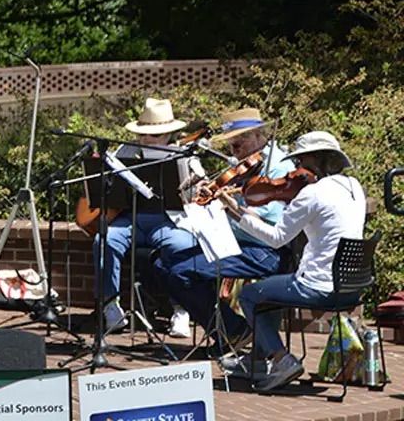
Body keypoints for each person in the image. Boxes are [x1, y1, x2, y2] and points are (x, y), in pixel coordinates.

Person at [221, 131, 365, 391]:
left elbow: (276, 238)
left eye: (300, 162)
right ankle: (257, 361)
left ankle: (280, 359)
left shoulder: (312, 194)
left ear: (313, 161)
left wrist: (236, 213)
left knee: (252, 294)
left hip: (318, 287)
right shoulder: (354, 187)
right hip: (351, 288)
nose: (296, 169)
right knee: (273, 287)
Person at [155, 107, 293, 345]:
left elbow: (265, 219)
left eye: (243, 138)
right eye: (231, 141)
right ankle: (227, 331)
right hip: (235, 243)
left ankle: (233, 330)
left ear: (262, 135)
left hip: (264, 251)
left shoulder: (278, 167)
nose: (235, 145)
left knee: (180, 271)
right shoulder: (245, 166)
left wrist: (225, 206)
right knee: (161, 263)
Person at [94, 98, 199, 336]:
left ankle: (181, 310)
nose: (146, 139)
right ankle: (111, 306)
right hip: (130, 216)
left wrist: (191, 185)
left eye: (153, 135)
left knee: (182, 246)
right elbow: (108, 187)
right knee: (104, 241)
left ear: (167, 134)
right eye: (144, 134)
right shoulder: (125, 151)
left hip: (167, 219)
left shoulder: (183, 154)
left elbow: (193, 197)